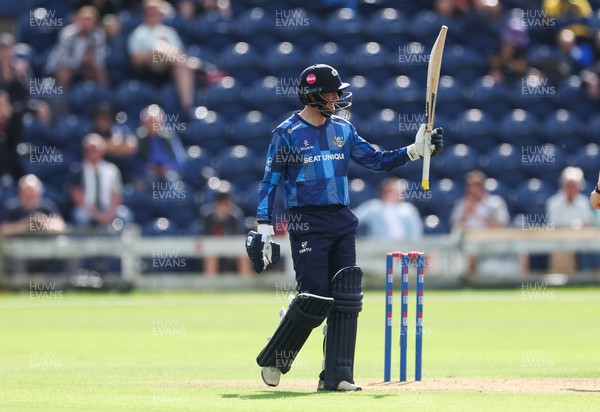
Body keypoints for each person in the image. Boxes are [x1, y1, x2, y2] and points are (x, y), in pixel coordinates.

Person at [246, 64, 443, 391]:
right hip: (306, 220)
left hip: (341, 217)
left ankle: (337, 376)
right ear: (311, 94)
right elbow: (270, 183)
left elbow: (377, 160)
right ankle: (277, 351)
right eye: (331, 92)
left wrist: (415, 149)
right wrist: (264, 227)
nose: (337, 98)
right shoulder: (287, 132)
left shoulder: (342, 129)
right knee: (314, 297)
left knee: (345, 295)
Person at [127, 0, 195, 110]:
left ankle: (187, 107)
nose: (154, 15)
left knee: (182, 70)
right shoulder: (138, 33)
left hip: (170, 67)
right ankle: (193, 64)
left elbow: (181, 52)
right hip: (150, 67)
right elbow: (136, 60)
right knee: (159, 47)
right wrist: (154, 51)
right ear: (145, 14)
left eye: (157, 13)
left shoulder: (169, 31)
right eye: (151, 13)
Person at [450, 170, 520, 276]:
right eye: (469, 186)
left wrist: (477, 214)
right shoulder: (461, 204)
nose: (472, 190)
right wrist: (465, 213)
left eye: (475, 186)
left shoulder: (495, 203)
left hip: (490, 240)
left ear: (482, 187)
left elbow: (502, 225)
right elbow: (455, 227)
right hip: (466, 241)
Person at [0, 174, 65, 277]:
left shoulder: (47, 207)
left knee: (63, 246)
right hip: (19, 253)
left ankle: (58, 286)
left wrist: (43, 221)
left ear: (39, 194)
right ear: (20, 193)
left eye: (32, 194)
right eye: (26, 194)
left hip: (44, 251)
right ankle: (20, 288)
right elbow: (3, 230)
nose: (29, 198)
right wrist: (25, 224)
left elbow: (61, 227)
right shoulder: (11, 208)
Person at [69, 133, 129, 227]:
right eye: (90, 149)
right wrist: (97, 215)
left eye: (96, 149)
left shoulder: (112, 170)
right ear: (85, 151)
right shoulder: (77, 170)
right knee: (80, 216)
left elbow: (116, 195)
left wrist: (108, 214)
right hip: (87, 210)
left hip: (108, 209)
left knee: (124, 215)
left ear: (102, 151)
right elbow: (77, 198)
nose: (93, 152)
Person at [547, 166, 596, 272]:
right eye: (569, 185)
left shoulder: (583, 202)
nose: (571, 189)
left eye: (574, 186)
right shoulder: (553, 203)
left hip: (582, 241)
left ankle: (588, 279)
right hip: (561, 242)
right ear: (563, 186)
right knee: (561, 253)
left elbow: (588, 223)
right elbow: (555, 226)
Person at [45, 6, 108, 88]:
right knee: (64, 72)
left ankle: (101, 94)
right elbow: (63, 61)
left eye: (89, 20)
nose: (86, 23)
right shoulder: (67, 34)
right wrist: (80, 60)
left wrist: (92, 62)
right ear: (77, 20)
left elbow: (100, 59)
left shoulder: (98, 35)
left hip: (86, 66)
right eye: (84, 19)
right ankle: (62, 98)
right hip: (61, 66)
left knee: (100, 72)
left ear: (95, 23)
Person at [200, 189, 251, 277]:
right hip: (212, 248)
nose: (224, 207)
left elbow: (238, 237)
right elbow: (206, 238)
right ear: (216, 204)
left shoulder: (235, 217)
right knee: (212, 255)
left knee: (243, 254)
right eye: (221, 204)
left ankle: (247, 285)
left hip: (230, 248)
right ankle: (210, 287)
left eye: (226, 204)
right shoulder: (207, 217)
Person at [352, 177, 423, 240]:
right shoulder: (373, 207)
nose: (400, 194)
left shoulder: (409, 209)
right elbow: (353, 218)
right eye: (395, 192)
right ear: (386, 192)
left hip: (404, 249)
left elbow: (415, 232)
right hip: (379, 249)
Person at [134, 104, 186, 181]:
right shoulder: (139, 138)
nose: (152, 125)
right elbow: (133, 162)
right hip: (147, 175)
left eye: (155, 122)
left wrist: (168, 167)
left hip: (168, 173)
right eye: (149, 122)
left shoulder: (169, 136)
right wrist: (146, 169)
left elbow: (181, 158)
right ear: (143, 123)